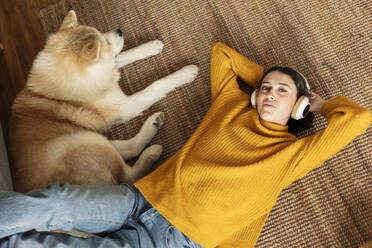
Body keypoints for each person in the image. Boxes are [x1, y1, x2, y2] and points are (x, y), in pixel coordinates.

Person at [0, 42, 370, 248]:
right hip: (141, 197)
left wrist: (315, 103)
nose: (271, 94)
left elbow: (357, 119)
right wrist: (266, 85)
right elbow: (221, 53)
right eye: (266, 88)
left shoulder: (292, 154)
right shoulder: (231, 104)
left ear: (298, 106)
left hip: (173, 239)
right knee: (57, 199)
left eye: (281, 92)